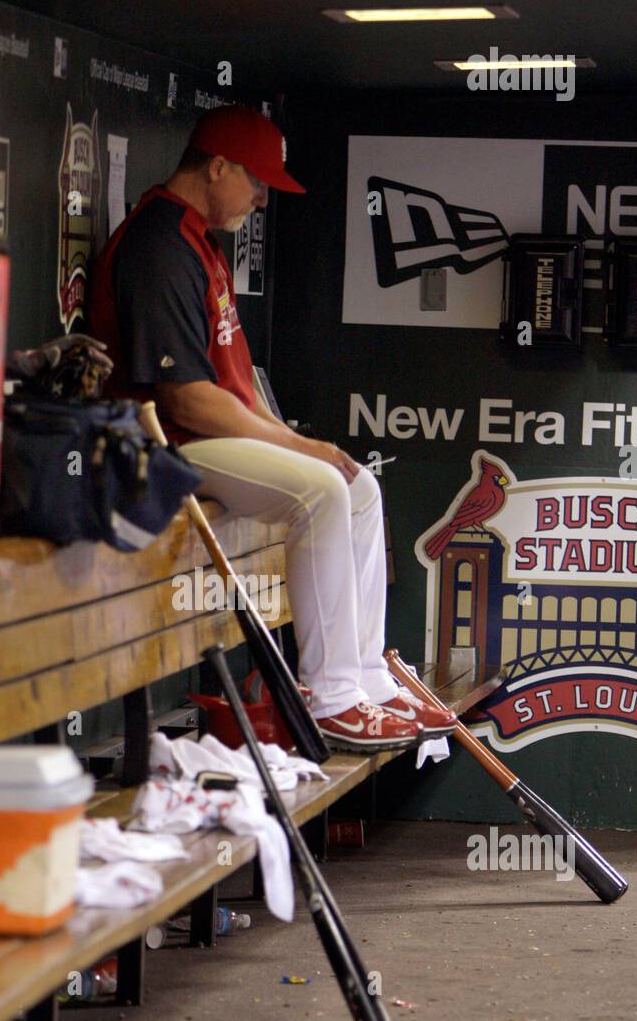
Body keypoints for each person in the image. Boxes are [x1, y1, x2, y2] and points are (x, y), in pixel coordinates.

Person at [87, 106, 455, 750]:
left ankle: (367, 680)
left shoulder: (199, 240)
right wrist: (299, 446)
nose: (260, 199)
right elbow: (191, 402)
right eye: (256, 183)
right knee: (323, 488)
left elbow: (232, 389)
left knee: (358, 484)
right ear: (217, 166)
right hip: (159, 447)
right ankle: (333, 698)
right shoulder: (159, 245)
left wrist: (302, 444)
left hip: (208, 439)